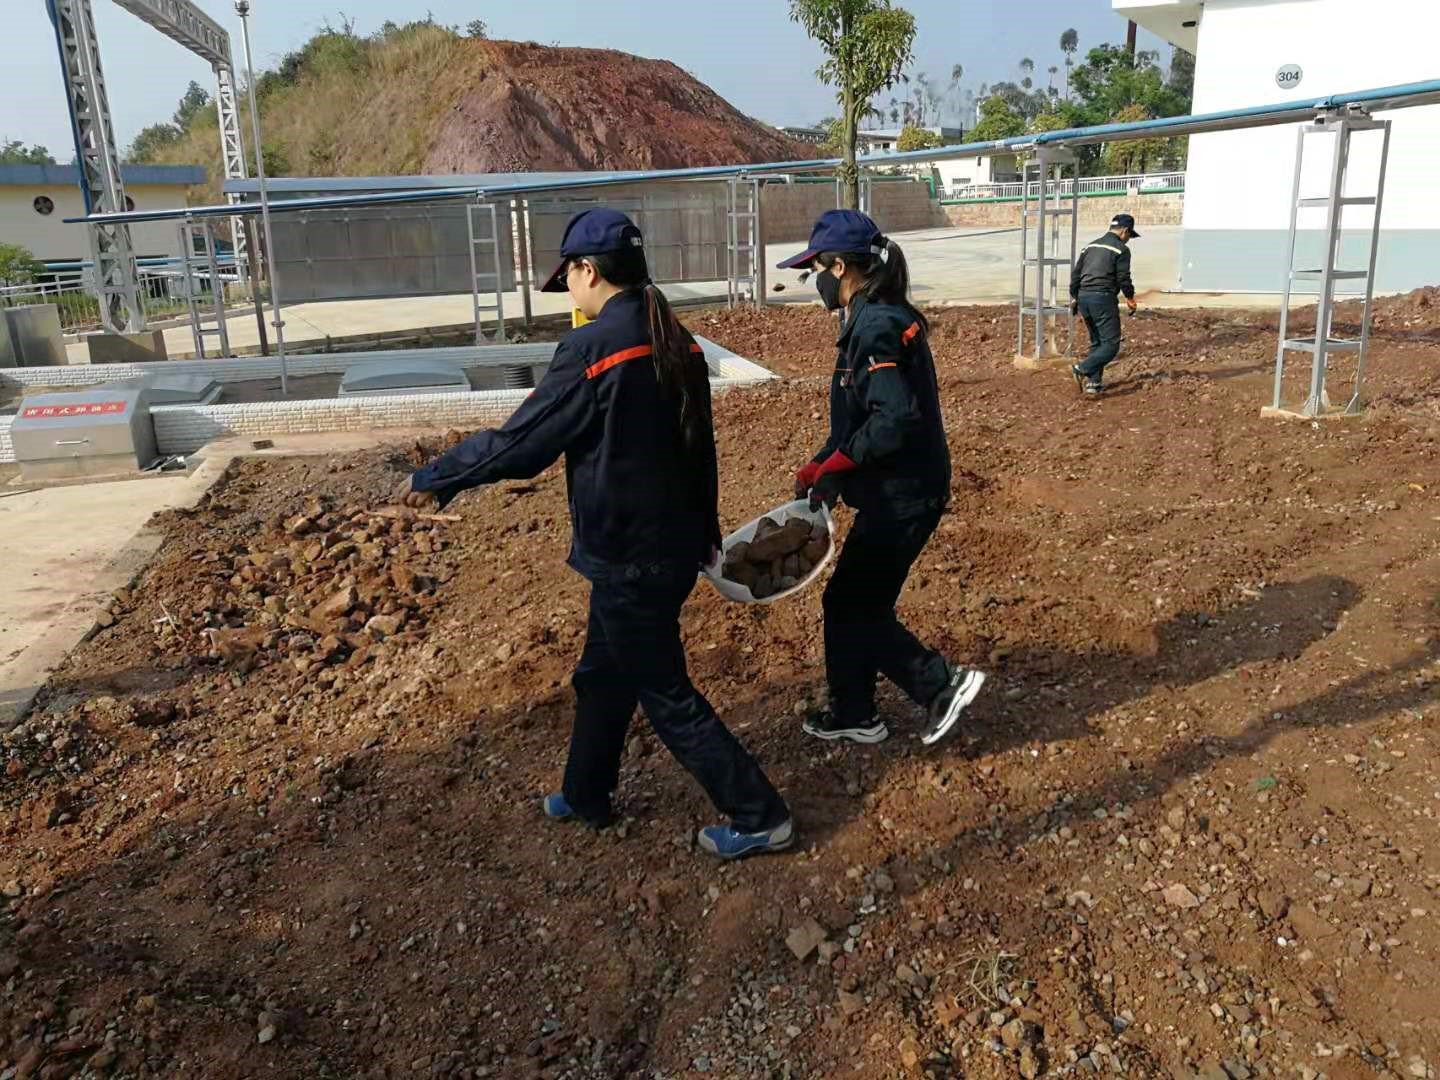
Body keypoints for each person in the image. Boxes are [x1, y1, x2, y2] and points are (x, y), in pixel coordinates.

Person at [398, 208, 792, 860]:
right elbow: (701, 451)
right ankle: (585, 792)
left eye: (569, 279)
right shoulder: (679, 340)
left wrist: (438, 477)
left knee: (664, 693)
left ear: (587, 270)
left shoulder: (595, 349)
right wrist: (707, 529)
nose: (569, 293)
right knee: (602, 677)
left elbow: (523, 443)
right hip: (665, 548)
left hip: (631, 556)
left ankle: (760, 814)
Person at [777, 209, 986, 748]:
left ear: (840, 267)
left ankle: (940, 686)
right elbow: (859, 419)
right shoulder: (871, 317)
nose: (814, 281)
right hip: (895, 490)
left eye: (815, 269)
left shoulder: (876, 327)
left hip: (905, 495)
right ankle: (854, 710)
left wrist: (838, 463)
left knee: (854, 606)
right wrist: (823, 466)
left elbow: (893, 419)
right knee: (853, 602)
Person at [1069, 213, 1141, 396]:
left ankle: (1093, 383)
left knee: (1097, 342)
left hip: (1084, 298)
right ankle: (1082, 369)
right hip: (1103, 298)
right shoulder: (1121, 250)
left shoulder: (1090, 246)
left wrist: (1075, 297)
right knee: (1111, 345)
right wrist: (1130, 297)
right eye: (1129, 236)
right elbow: (1123, 278)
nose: (1128, 240)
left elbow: (1076, 275)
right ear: (1125, 231)